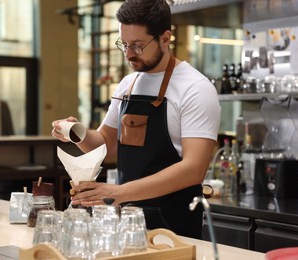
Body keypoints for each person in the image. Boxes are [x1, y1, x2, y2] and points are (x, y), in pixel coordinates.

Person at [52, 0, 220, 238]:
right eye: (125, 44)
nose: (129, 54)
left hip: (173, 229)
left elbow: (194, 169)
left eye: (138, 46)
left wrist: (119, 193)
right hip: (126, 225)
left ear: (165, 38)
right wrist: (76, 133)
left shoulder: (195, 88)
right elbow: (107, 147)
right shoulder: (128, 85)